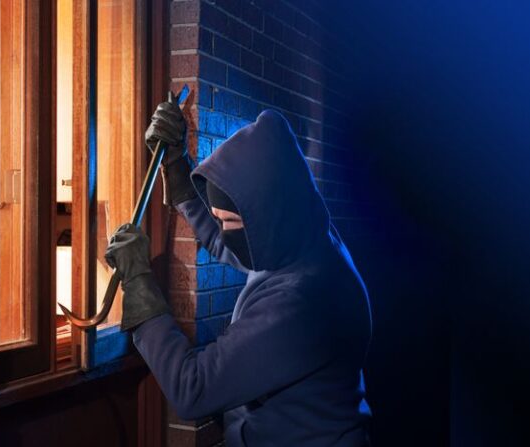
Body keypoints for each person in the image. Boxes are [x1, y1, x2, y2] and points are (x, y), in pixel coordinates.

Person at [104, 96, 372, 446]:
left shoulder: (303, 300)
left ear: (267, 217)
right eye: (219, 219)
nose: (224, 231)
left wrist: (139, 281)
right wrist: (176, 168)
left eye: (230, 220)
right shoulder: (305, 240)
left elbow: (193, 388)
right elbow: (231, 243)